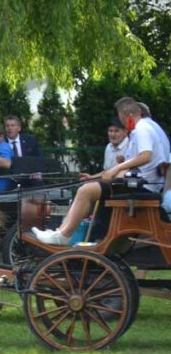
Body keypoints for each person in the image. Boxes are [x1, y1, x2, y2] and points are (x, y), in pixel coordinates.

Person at [33, 99, 170, 245]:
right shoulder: (153, 127)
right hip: (145, 184)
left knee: (86, 191)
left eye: (122, 118)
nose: (122, 122)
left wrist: (118, 167)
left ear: (129, 115)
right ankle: (70, 233)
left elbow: (145, 156)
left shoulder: (141, 129)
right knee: (94, 188)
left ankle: (63, 235)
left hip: (142, 186)